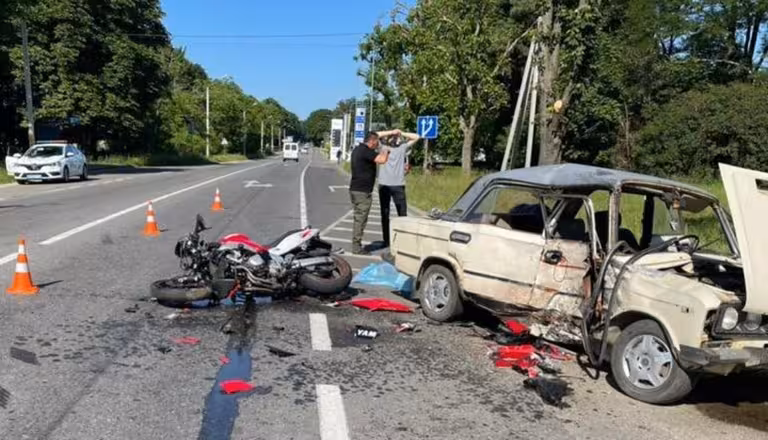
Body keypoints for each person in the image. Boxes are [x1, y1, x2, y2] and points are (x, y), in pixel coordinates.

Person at [349, 130, 393, 255]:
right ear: (372, 141)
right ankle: (356, 247)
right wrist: (386, 149)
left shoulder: (357, 149)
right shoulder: (366, 151)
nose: (377, 144)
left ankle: (356, 244)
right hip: (362, 191)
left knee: (358, 218)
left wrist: (390, 132)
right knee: (360, 219)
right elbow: (382, 160)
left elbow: (375, 135)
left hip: (355, 188)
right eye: (377, 142)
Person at [378, 129, 420, 248]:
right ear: (388, 138)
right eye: (392, 137)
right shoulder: (383, 147)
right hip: (384, 184)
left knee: (402, 214)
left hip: (398, 185)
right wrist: (391, 132)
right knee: (385, 214)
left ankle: (403, 239)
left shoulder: (402, 147)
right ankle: (386, 240)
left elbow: (417, 137)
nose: (394, 138)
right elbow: (376, 135)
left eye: (396, 137)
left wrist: (401, 133)